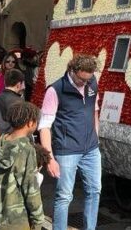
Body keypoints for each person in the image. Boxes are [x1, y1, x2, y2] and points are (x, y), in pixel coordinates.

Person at [40, 54, 101, 230]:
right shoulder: (55, 90)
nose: (85, 83)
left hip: (91, 148)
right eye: (82, 79)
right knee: (64, 196)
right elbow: (44, 126)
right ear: (72, 70)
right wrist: (49, 158)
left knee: (95, 191)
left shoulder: (92, 82)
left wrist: (96, 137)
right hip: (67, 150)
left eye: (88, 79)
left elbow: (94, 110)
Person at [0, 101, 44, 230]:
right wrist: (38, 219)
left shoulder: (1, 143)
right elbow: (30, 187)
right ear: (30, 123)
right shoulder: (26, 149)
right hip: (16, 219)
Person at [0, 69, 25, 135]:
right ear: (18, 84)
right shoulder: (18, 101)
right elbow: (21, 124)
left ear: (4, 82)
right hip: (12, 140)